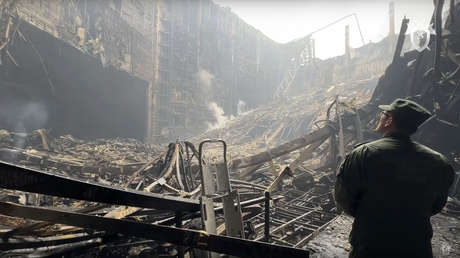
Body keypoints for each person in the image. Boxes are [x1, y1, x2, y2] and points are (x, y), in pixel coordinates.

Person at [334, 98, 454, 258]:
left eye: (383, 114)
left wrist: (371, 215)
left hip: (370, 245)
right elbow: (437, 205)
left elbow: (344, 199)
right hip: (416, 247)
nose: (380, 117)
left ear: (389, 120)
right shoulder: (439, 162)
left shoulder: (364, 154)